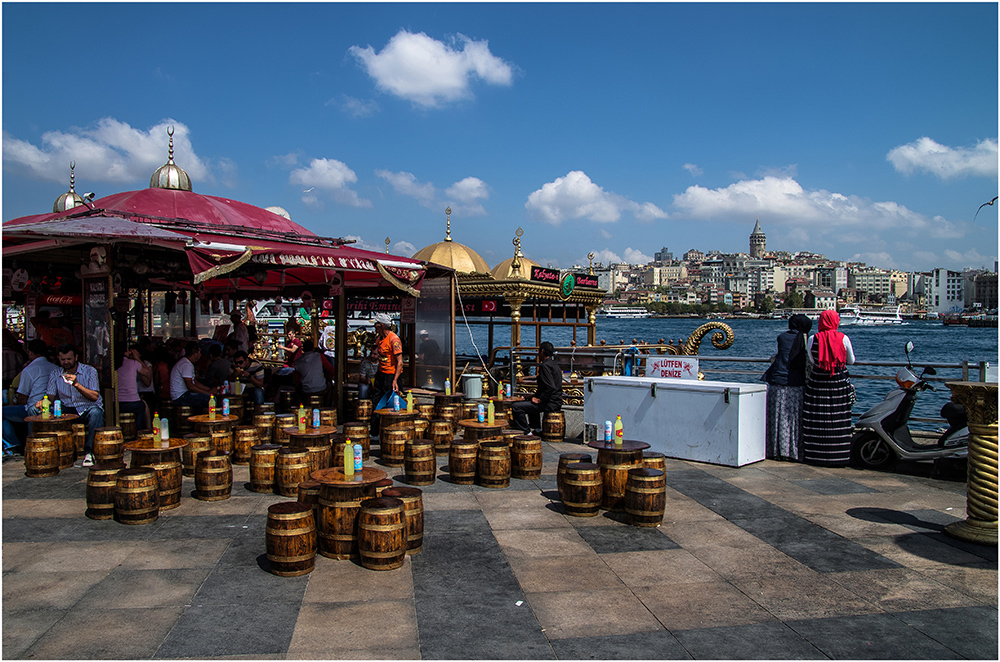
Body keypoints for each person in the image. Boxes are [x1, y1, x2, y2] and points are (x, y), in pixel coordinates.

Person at [802, 309, 856, 467]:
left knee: (817, 419)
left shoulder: (813, 338)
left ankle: (815, 455)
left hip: (818, 383)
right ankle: (838, 456)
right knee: (838, 419)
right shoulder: (844, 338)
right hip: (838, 383)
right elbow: (851, 360)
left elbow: (812, 360)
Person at [43, 343, 104, 467]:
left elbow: (94, 397)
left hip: (87, 407)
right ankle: (54, 451)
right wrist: (42, 402)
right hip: (68, 408)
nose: (66, 362)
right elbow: (50, 397)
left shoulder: (89, 371)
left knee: (96, 413)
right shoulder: (55, 373)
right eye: (63, 359)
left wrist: (76, 384)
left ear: (76, 357)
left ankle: (90, 452)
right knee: (46, 411)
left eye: (69, 359)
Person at [763, 314, 812, 461]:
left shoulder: (782, 338)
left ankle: (775, 449)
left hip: (776, 383)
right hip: (795, 384)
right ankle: (792, 451)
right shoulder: (805, 339)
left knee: (776, 417)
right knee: (793, 419)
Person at [2, 339, 58, 457]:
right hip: (54, 407)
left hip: (34, 408)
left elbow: (22, 399)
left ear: (30, 353)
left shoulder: (29, 370)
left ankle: (14, 445)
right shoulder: (55, 368)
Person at [511, 341, 564, 435]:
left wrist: (540, 399)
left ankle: (526, 432)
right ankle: (537, 428)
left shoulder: (545, 366)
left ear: (542, 351)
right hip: (556, 400)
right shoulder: (554, 364)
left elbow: (550, 387)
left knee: (516, 407)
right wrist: (531, 397)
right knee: (530, 402)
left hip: (550, 403)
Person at [169, 341, 218, 408]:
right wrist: (208, 393)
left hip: (183, 394)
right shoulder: (186, 365)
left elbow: (194, 382)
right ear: (195, 355)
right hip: (181, 397)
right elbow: (190, 386)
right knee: (211, 399)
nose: (200, 355)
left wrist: (209, 389)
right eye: (199, 353)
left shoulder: (186, 363)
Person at [371, 313, 403, 410]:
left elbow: (400, 362)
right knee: (377, 399)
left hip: (391, 374)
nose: (374, 326)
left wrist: (395, 380)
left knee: (390, 401)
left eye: (376, 324)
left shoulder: (394, 339)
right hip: (381, 373)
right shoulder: (379, 339)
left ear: (381, 325)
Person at [117, 343, 151, 430]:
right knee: (142, 406)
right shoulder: (133, 363)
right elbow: (147, 372)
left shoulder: (112, 365)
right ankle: (138, 430)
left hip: (115, 403)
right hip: (132, 403)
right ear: (126, 353)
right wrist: (137, 358)